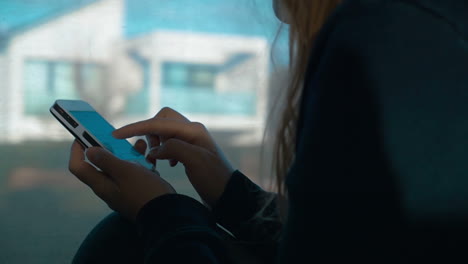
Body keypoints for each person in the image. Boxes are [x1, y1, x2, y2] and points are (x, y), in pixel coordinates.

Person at [69, 0, 468, 263]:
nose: (279, 13)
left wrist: (160, 212)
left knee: (122, 242)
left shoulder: (389, 37)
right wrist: (235, 196)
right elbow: (346, 243)